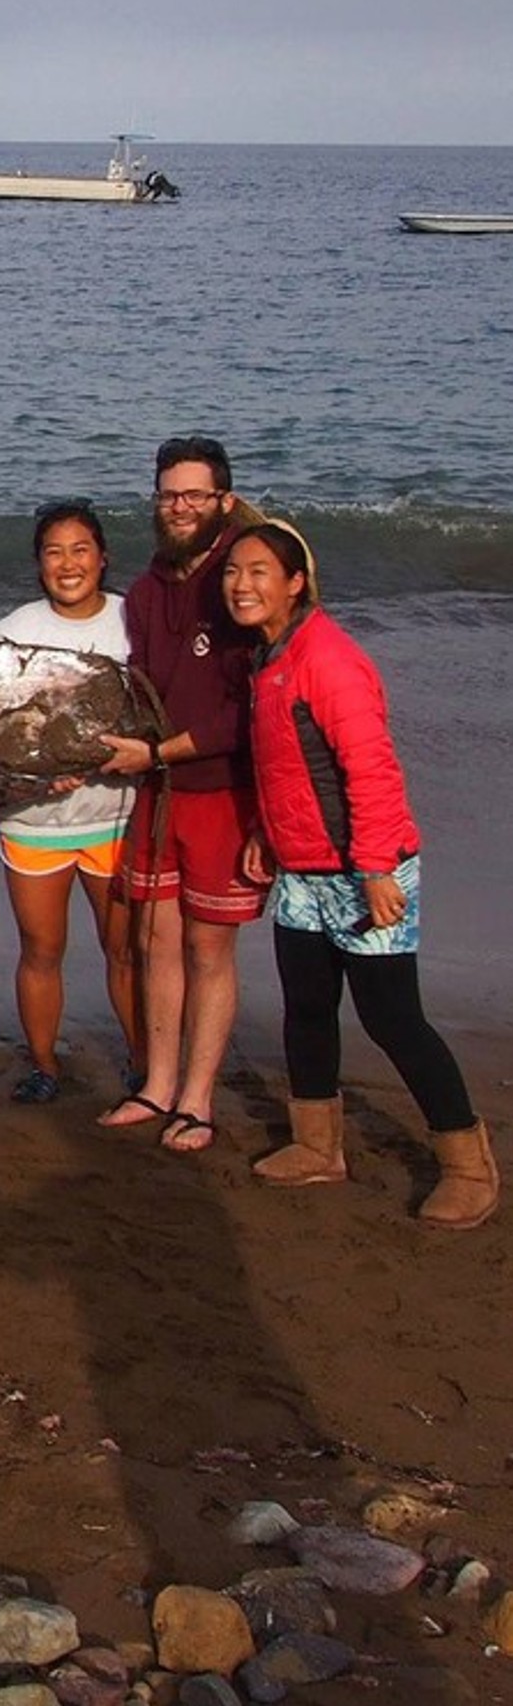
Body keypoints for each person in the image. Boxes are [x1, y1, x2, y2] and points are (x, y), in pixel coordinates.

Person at [227, 523, 494, 1227]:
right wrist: (264, 831)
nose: (239, 584)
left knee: (391, 1018)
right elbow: (283, 764)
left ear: (294, 582)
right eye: (232, 571)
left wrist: (375, 869)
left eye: (258, 571)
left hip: (364, 870)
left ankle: (467, 1164)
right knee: (306, 1010)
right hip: (302, 873)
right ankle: (317, 1147)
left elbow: (370, 771)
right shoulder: (267, 657)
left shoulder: (328, 660)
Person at [93, 436, 262, 1153]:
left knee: (205, 949)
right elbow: (140, 691)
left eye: (194, 495)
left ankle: (197, 1099)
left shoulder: (242, 580)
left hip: (220, 791)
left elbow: (244, 711)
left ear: (222, 500)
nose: (180, 507)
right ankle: (156, 1084)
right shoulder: (146, 589)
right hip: (155, 794)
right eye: (168, 495)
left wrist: (158, 752)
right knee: (153, 941)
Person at [0, 500, 141, 1104]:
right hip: (34, 820)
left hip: (117, 818)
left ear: (102, 558)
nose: (68, 563)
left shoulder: (135, 622)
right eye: (54, 552)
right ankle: (44, 1065)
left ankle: (144, 1061)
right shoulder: (15, 629)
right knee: (41, 949)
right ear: (38, 564)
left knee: (125, 950)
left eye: (81, 550)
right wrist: (32, 774)